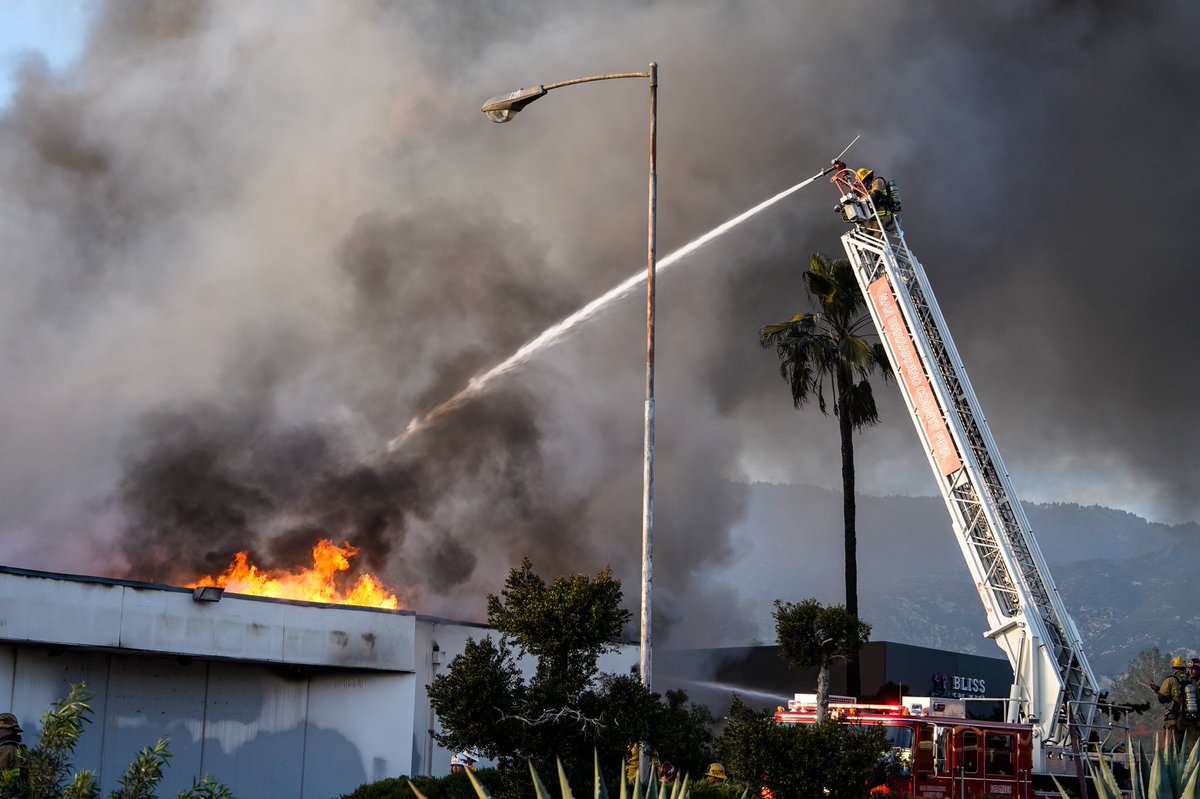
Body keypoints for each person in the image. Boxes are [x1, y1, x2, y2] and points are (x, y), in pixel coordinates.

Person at [1157, 656, 1199, 746]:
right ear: (1184, 668)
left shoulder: (1170, 680)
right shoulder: (1192, 682)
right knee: (1191, 749)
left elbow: (1161, 698)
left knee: (1171, 748)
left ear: (1173, 668)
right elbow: (1197, 698)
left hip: (1173, 720)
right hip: (1190, 720)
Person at [855, 167, 898, 232]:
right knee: (866, 238)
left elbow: (875, 195)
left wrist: (861, 201)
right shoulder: (869, 190)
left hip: (883, 218)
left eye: (862, 182)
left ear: (866, 179)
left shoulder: (878, 181)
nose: (862, 185)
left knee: (874, 238)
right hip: (874, 220)